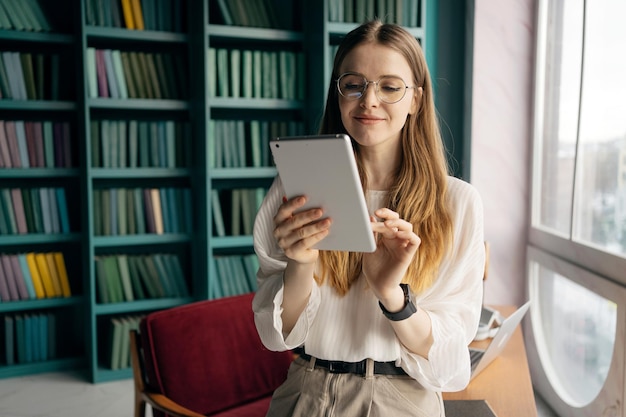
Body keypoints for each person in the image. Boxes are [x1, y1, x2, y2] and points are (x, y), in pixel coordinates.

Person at [252, 19, 485, 417]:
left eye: (390, 87)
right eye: (353, 84)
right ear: (338, 93)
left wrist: (391, 294)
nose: (369, 101)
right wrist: (300, 264)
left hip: (400, 399)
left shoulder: (457, 203)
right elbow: (278, 336)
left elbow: (447, 358)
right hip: (306, 391)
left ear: (416, 99)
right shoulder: (297, 186)